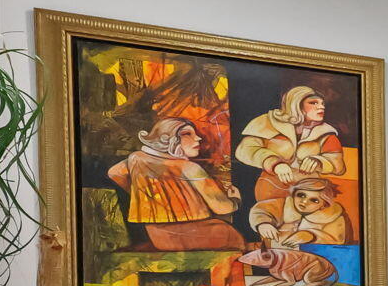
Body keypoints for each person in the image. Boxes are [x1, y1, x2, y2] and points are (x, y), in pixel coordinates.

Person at [108, 118, 244, 250]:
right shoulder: (189, 168)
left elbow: (114, 173)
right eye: (187, 134)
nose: (198, 138)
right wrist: (235, 200)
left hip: (157, 237)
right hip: (193, 234)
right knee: (232, 234)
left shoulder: (136, 158)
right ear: (167, 139)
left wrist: (143, 193)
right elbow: (222, 208)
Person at [235, 86, 347, 218]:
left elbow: (339, 166)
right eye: (313, 103)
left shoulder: (326, 133)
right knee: (267, 224)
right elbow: (244, 150)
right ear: (296, 104)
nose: (321, 107)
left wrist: (319, 162)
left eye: (322, 104)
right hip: (270, 190)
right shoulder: (268, 122)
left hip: (310, 193)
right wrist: (274, 163)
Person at [249, 176, 355, 247]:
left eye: (314, 200)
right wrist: (262, 223)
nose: (304, 202)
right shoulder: (285, 204)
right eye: (301, 195)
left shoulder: (334, 216)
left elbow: (337, 241)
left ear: (324, 204)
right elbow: (260, 210)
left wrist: (311, 236)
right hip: (274, 255)